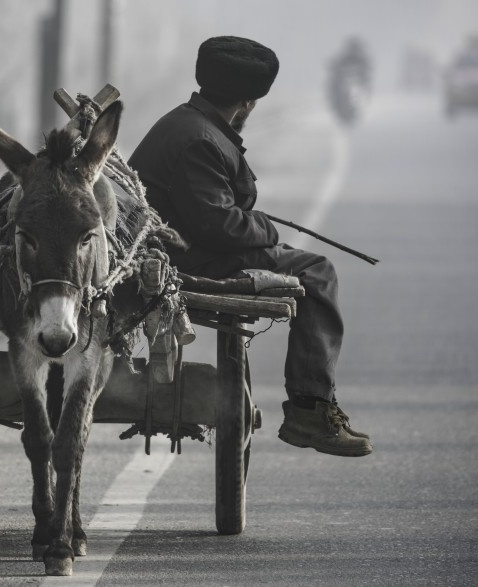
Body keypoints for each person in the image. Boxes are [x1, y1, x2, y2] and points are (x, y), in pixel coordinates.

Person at [128, 36, 372, 457]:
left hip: (179, 246)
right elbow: (220, 227)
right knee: (318, 271)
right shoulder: (201, 140)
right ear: (248, 103)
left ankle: (311, 408)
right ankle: (310, 411)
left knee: (311, 265)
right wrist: (267, 229)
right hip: (184, 258)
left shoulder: (186, 122)